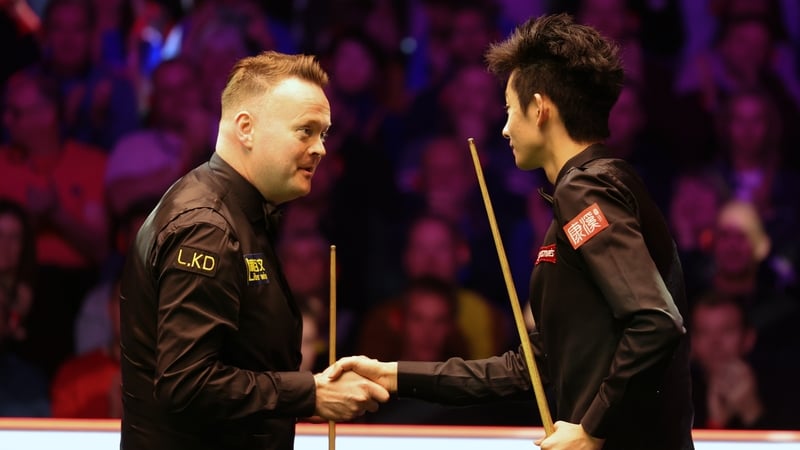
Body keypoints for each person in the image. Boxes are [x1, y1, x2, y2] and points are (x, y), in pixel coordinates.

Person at [334, 13, 694, 450]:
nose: (504, 127)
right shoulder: (601, 185)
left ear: (540, 108)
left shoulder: (585, 188)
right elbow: (529, 369)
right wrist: (392, 373)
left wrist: (591, 429)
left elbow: (655, 321)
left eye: (509, 108)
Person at [119, 51, 389, 450]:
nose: (320, 149)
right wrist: (310, 393)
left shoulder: (237, 212)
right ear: (245, 128)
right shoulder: (206, 227)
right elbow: (186, 383)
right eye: (305, 130)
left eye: (324, 134)